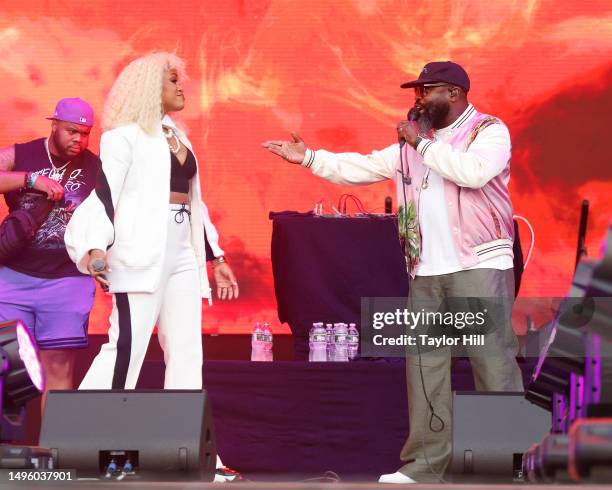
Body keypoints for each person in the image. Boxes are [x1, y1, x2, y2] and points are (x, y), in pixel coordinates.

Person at [262, 61, 524, 484]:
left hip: (477, 264)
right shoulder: (413, 145)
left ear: (455, 93)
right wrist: (309, 158)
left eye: (427, 91)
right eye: (415, 92)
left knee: (492, 364)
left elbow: (473, 173)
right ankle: (425, 464)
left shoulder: (488, 131)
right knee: (425, 368)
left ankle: (506, 462)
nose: (417, 100)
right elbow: (363, 167)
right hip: (426, 271)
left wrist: (420, 146)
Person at [64, 52, 238, 391]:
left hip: (182, 252)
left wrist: (215, 257)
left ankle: (181, 439)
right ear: (149, 87)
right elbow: (105, 195)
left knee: (187, 349)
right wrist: (96, 246)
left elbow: (194, 202)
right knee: (127, 346)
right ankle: (87, 432)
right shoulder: (122, 137)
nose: (181, 87)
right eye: (173, 80)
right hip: (140, 251)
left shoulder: (178, 136)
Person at [0, 98, 99, 396]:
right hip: (14, 278)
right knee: (5, 366)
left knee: (57, 370)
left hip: (68, 282)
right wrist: (31, 179)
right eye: (71, 131)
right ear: (54, 125)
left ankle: (54, 445)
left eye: (85, 133)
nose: (78, 140)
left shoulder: (96, 167)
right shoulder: (22, 154)